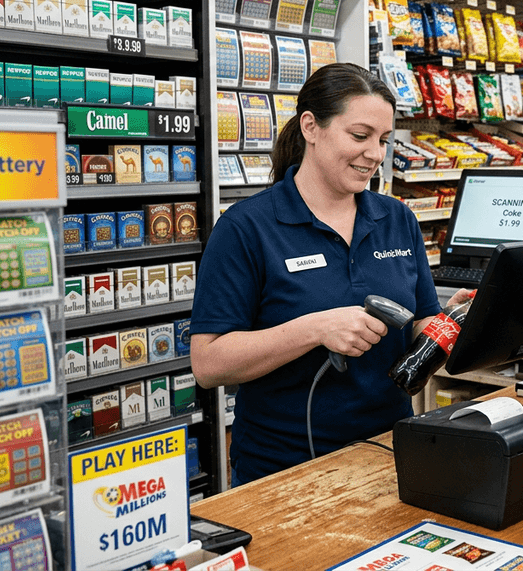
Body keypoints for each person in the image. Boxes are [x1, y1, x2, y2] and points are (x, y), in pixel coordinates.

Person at [190, 63, 471, 486]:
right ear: (311, 126)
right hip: (282, 469)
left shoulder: (397, 219)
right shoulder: (247, 228)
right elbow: (208, 363)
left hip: (389, 454)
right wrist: (315, 328)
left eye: (383, 140)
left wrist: (450, 326)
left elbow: (417, 323)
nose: (375, 154)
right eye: (360, 136)